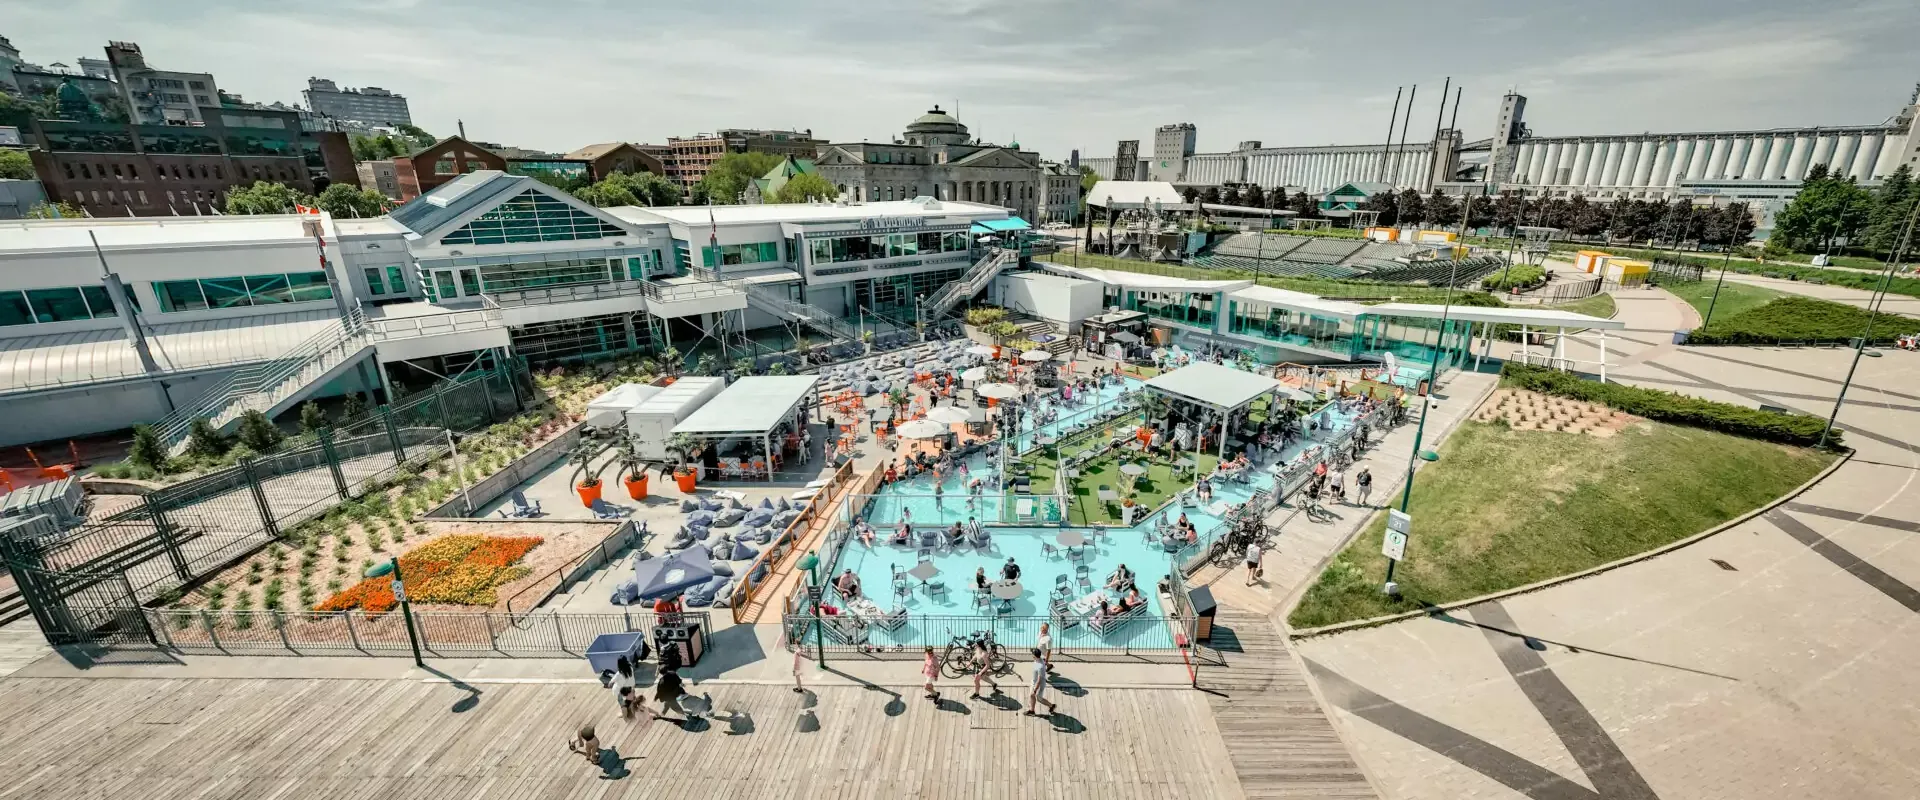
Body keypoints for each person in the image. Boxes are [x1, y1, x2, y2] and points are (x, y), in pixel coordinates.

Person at [1025, 648, 1056, 717]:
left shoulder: (1040, 666)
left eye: (1032, 654)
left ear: (1035, 656)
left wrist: (1035, 689)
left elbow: (1040, 679)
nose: (1031, 655)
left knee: (1039, 699)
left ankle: (1051, 706)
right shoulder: (1038, 660)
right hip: (1034, 681)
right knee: (1031, 695)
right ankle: (1032, 710)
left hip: (1038, 684)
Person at [613, 656, 638, 720]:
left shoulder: (620, 673)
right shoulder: (630, 667)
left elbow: (616, 682)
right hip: (632, 688)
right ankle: (634, 710)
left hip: (624, 691)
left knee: (623, 704)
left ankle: (625, 716)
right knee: (632, 700)